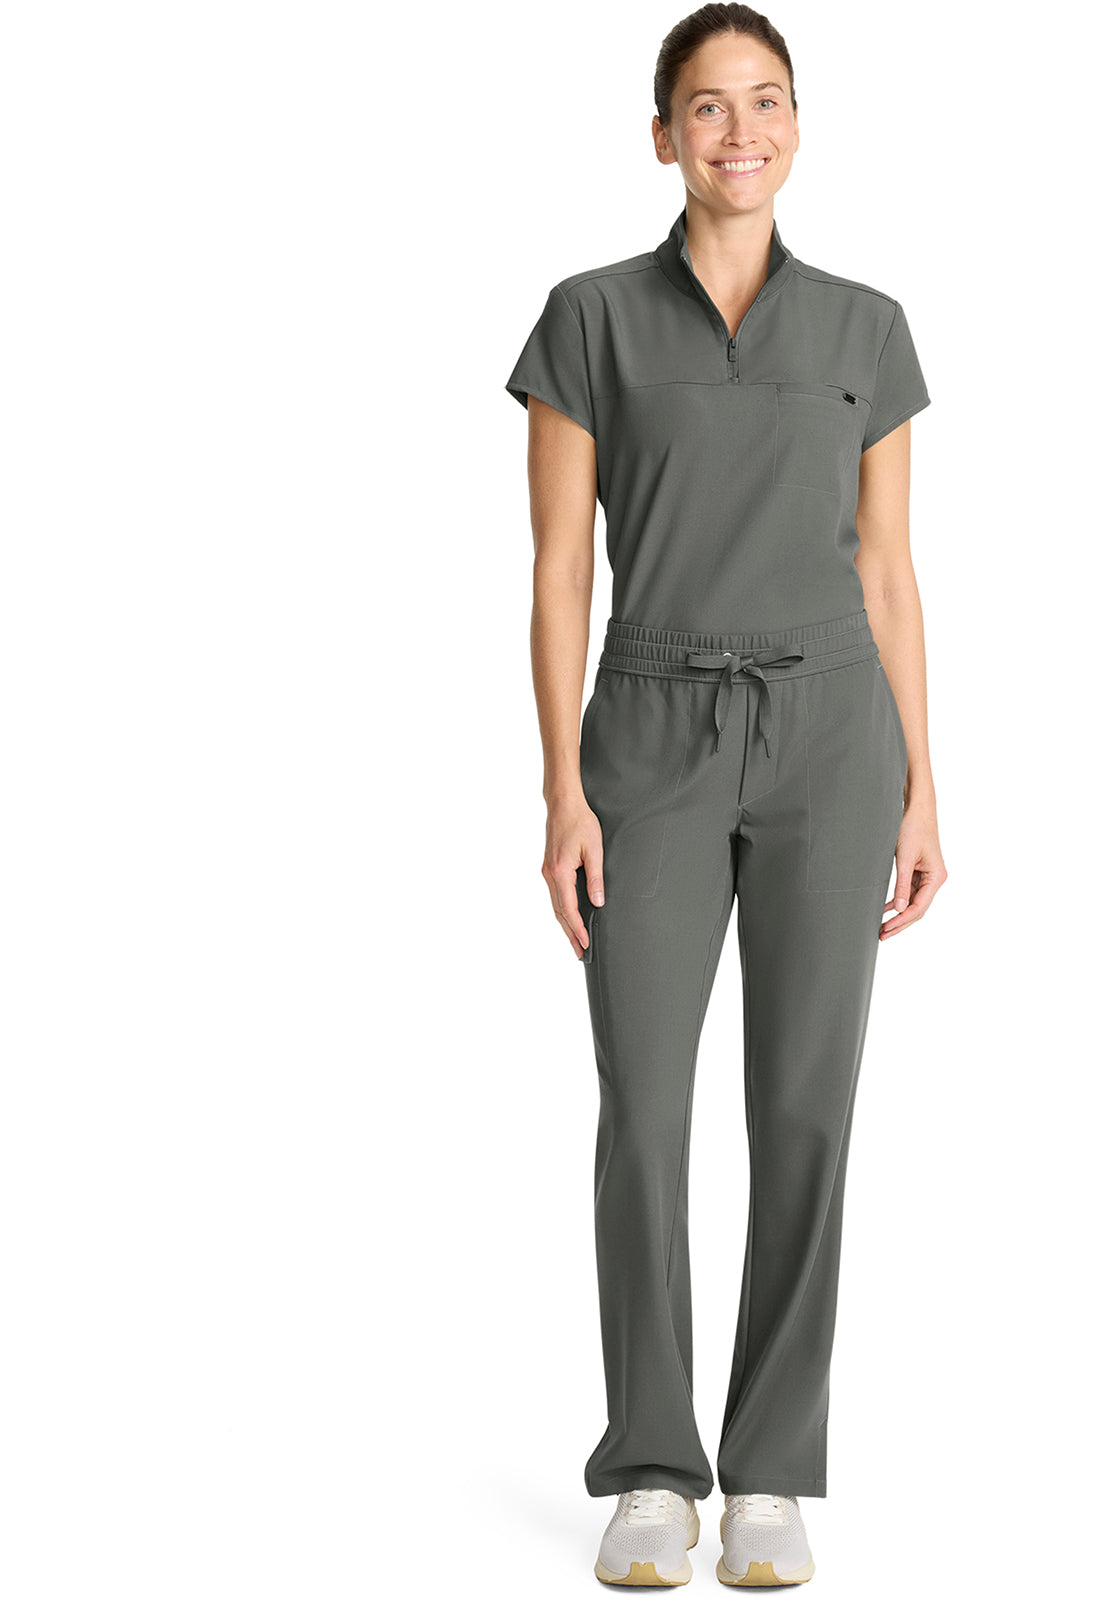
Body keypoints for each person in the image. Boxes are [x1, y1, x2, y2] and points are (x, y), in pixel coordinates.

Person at [504, 4, 947, 1586]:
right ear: (662, 135)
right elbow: (561, 571)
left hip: (833, 733)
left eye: (766, 102)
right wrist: (562, 790)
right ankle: (649, 1466)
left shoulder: (869, 330)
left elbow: (887, 572)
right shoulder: (590, 319)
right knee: (645, 1106)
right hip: (650, 729)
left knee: (807, 1105)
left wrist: (922, 787)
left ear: (799, 127)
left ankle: (768, 1471)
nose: (739, 131)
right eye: (707, 106)